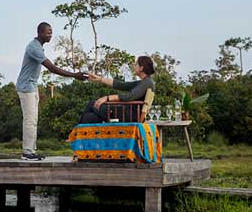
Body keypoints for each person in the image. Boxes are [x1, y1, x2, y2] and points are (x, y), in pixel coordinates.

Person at [18, 22, 87, 160]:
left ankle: (31, 151)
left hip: (32, 86)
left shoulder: (38, 46)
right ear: (40, 32)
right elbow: (52, 68)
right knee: (30, 121)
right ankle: (27, 152)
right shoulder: (34, 48)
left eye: (51, 32)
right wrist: (74, 75)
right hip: (26, 87)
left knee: (34, 120)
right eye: (48, 32)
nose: (51, 35)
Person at [81, 56, 157, 124]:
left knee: (91, 104)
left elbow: (130, 96)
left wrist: (106, 98)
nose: (134, 66)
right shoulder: (144, 82)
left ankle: (77, 135)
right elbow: (121, 85)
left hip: (127, 116)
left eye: (136, 64)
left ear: (141, 68)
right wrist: (99, 79)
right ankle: (85, 136)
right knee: (90, 117)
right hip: (125, 113)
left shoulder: (147, 83)